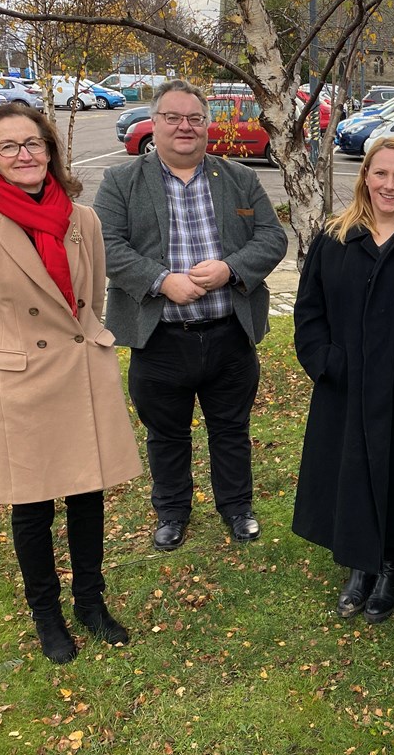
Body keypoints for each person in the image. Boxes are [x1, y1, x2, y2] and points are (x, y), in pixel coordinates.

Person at [0, 103, 143, 663]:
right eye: (9, 147)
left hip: (80, 371)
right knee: (32, 508)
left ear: (50, 150)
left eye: (33, 144)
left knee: (87, 494)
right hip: (19, 382)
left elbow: (91, 296)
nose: (25, 155)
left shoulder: (83, 220)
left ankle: (91, 603)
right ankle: (47, 616)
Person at [94, 79, 287, 552]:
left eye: (195, 118)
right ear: (154, 123)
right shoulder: (122, 182)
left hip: (228, 334)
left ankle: (237, 507)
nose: (185, 127)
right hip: (159, 337)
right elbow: (105, 246)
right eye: (173, 117)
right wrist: (161, 280)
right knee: (166, 434)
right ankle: (173, 511)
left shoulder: (238, 177)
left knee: (231, 429)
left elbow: (272, 238)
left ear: (207, 125)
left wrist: (230, 269)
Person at [292, 137, 394, 623]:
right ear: (365, 176)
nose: (390, 185)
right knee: (353, 470)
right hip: (347, 383)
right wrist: (325, 362)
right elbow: (309, 311)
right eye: (381, 174)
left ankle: (389, 567)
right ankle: (359, 568)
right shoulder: (335, 238)